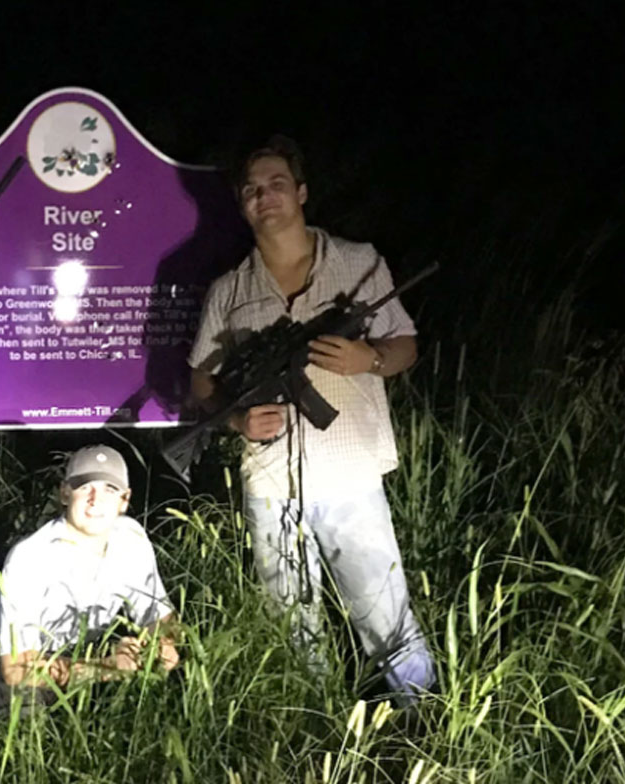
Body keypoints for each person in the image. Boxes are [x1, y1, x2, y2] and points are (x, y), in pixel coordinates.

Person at [187, 136, 435, 702]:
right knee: (289, 618)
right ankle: (313, 720)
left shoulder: (359, 260)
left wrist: (367, 359)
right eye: (251, 190)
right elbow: (202, 380)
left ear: (300, 193)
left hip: (348, 470)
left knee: (383, 607)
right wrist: (235, 423)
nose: (264, 196)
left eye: (276, 184)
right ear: (242, 205)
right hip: (271, 480)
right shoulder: (229, 290)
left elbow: (405, 345)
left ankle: (421, 713)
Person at [0, 445, 179, 713]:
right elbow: (16, 669)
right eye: (85, 487)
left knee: (169, 687)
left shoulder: (132, 537)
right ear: (64, 493)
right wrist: (107, 668)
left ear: (124, 500)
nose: (96, 500)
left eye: (109, 489)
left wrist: (162, 646)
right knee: (22, 701)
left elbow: (160, 617)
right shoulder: (32, 556)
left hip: (78, 651)